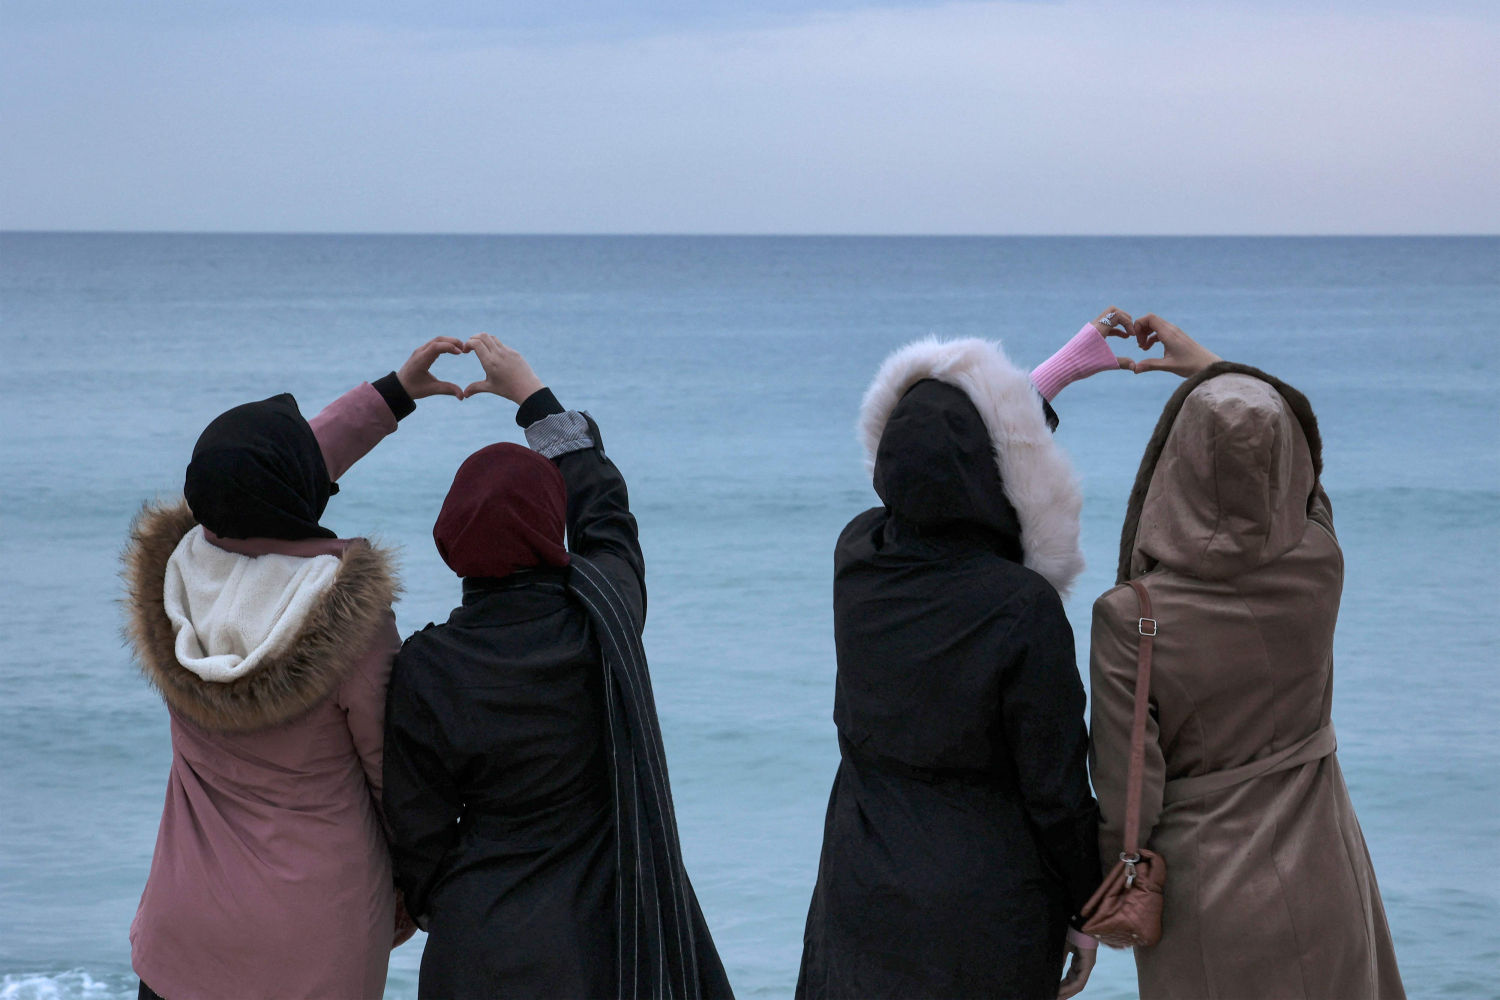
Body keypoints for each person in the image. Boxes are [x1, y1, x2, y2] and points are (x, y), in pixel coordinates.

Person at [382, 335, 734, 1000]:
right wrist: (534, 401)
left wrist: (446, 906)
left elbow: (416, 830)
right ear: (551, 527)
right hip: (616, 931)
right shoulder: (604, 615)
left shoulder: (426, 665)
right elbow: (607, 516)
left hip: (478, 943)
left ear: (449, 545)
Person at [796, 311, 1133, 1000]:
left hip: (861, 886)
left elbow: (943, 463)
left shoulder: (857, 555)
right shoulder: (1021, 607)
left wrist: (1054, 376)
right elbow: (1056, 791)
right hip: (985, 906)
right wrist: (1083, 910)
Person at [121, 338, 467, 1000]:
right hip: (314, 946)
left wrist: (391, 395)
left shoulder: (174, 584)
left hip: (183, 936)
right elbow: (394, 776)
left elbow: (250, 474)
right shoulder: (345, 621)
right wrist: (422, 893)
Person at [1089, 315, 1406, 999]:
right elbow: (1298, 464)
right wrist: (1211, 368)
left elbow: (1126, 802)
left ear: (1174, 461)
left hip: (1209, 897)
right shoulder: (1321, 562)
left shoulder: (1130, 616)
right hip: (1328, 870)